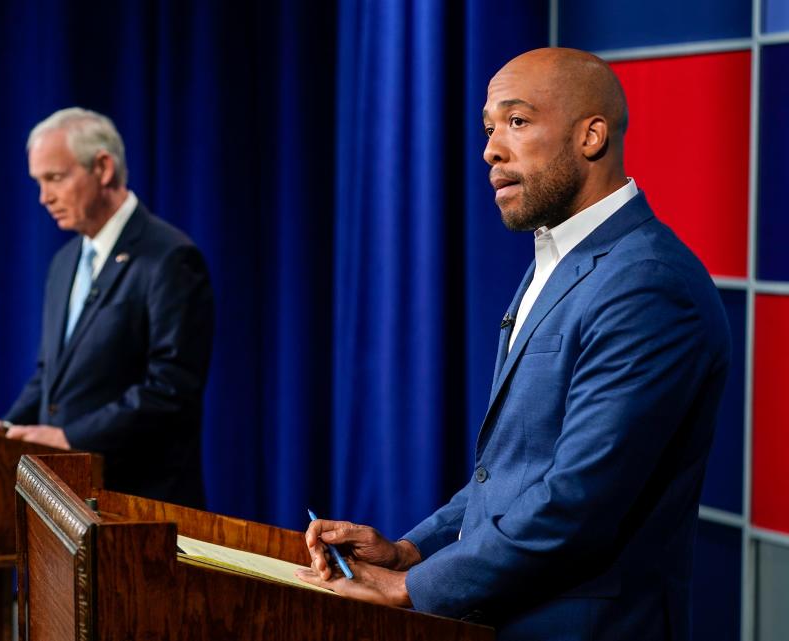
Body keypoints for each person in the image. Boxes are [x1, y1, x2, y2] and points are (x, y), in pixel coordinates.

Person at [297, 48, 731, 640]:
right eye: (489, 128)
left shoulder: (648, 284)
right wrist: (409, 552)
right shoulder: (556, 260)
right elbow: (507, 478)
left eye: (517, 122)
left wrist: (411, 589)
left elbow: (577, 502)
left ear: (592, 136)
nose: (491, 149)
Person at [0, 108, 214, 509]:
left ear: (103, 168)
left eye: (55, 178)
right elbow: (51, 379)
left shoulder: (170, 257)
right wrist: (4, 428)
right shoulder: (64, 262)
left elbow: (171, 389)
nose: (44, 197)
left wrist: (71, 438)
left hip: (140, 506)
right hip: (67, 503)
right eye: (39, 182)